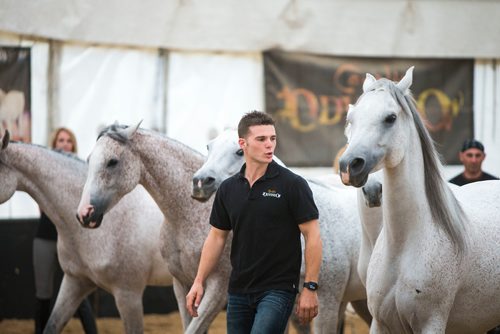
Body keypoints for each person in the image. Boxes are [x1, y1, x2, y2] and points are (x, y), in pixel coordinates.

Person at [186, 111, 323, 333]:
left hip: (278, 291)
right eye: (261, 139)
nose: (269, 145)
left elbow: (313, 236)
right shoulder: (228, 189)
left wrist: (310, 287)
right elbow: (216, 237)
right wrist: (199, 281)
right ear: (243, 144)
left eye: (273, 138)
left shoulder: (293, 185)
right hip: (238, 292)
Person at [33, 127, 98, 334]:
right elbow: (43, 207)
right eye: (60, 140)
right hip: (46, 237)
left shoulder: (82, 171)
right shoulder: (44, 171)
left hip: (73, 243)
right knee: (43, 293)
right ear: (54, 144)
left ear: (73, 145)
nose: (64, 144)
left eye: (68, 140)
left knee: (78, 296)